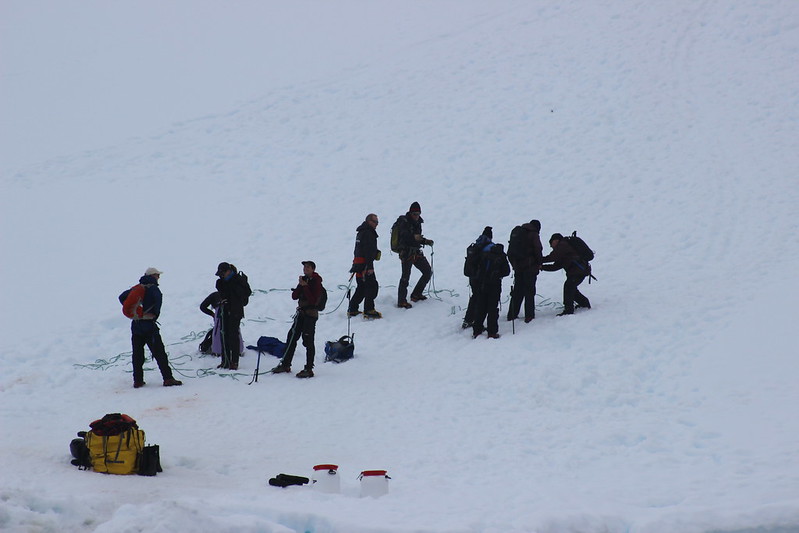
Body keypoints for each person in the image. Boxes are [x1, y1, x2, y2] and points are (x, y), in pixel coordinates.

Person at [120, 267, 182, 388]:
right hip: (149, 325)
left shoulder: (137, 287)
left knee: (137, 354)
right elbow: (157, 306)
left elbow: (122, 297)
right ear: (153, 276)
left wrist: (137, 313)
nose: (159, 278)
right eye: (158, 275)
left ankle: (137, 380)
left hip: (136, 325)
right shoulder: (154, 289)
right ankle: (168, 378)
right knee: (159, 352)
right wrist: (151, 316)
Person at [271, 261, 323, 378]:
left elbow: (313, 300)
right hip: (301, 313)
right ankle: (286, 364)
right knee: (292, 337)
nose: (305, 269)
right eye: (304, 267)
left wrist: (304, 286)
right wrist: (301, 285)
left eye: (308, 267)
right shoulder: (304, 280)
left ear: (313, 269)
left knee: (308, 341)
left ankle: (309, 368)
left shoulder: (316, 281)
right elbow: (294, 296)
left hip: (310, 315)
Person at [467, 228, 510, 339]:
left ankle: (477, 330)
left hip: (479, 283)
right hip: (494, 284)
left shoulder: (477, 248)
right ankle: (492, 332)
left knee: (480, 306)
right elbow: (507, 271)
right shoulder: (497, 251)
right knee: (492, 308)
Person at [541, 233, 592, 315]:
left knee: (568, 287)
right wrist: (542, 267)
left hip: (578, 271)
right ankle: (585, 304)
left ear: (556, 240)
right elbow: (555, 266)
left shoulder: (563, 245)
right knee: (571, 288)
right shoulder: (563, 252)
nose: (551, 246)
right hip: (579, 271)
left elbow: (552, 257)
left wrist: (539, 260)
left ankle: (569, 310)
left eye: (551, 243)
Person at [396, 201, 433, 308]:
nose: (417, 216)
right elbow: (405, 236)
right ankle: (401, 301)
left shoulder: (418, 223)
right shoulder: (404, 222)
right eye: (414, 214)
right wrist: (414, 237)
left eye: (418, 214)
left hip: (416, 252)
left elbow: (417, 238)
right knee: (405, 277)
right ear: (410, 213)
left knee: (427, 271)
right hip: (406, 253)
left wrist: (425, 241)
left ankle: (416, 294)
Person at [214, 262, 252, 370]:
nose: (221, 276)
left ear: (228, 271)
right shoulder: (220, 282)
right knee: (223, 335)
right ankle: (225, 360)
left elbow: (246, 293)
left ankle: (234, 362)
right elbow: (222, 292)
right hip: (225, 310)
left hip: (235, 311)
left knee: (233, 336)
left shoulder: (238, 280)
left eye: (223, 273)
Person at [507, 220, 544, 323]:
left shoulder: (518, 233)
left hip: (518, 268)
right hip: (530, 267)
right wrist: (539, 262)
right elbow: (538, 248)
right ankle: (529, 315)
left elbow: (510, 252)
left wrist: (514, 265)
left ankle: (512, 315)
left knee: (517, 291)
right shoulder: (533, 234)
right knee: (529, 291)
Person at [348, 213, 383, 319]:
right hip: (365, 265)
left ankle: (353, 309)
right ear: (369, 221)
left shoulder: (361, 232)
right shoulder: (368, 233)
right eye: (375, 222)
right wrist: (370, 266)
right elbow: (368, 251)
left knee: (362, 287)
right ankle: (369, 309)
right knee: (371, 286)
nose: (376, 224)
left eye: (377, 222)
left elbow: (358, 250)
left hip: (359, 264)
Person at [199, 290, 243, 357]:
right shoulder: (233, 293)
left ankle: (218, 351)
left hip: (220, 315)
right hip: (233, 314)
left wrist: (212, 314)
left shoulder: (214, 295)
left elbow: (202, 307)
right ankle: (237, 350)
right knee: (234, 331)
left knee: (219, 332)